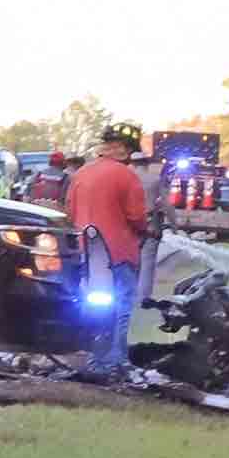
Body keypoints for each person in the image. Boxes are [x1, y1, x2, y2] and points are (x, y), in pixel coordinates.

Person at [66, 122, 148, 382]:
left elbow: (69, 212)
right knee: (121, 306)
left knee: (91, 307)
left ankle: (95, 356)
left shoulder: (81, 174)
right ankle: (116, 360)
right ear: (122, 149)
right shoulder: (126, 176)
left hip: (85, 254)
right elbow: (137, 217)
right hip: (118, 253)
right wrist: (147, 230)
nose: (131, 158)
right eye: (130, 151)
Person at [130, 151, 177, 303]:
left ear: (132, 163)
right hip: (151, 224)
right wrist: (174, 224)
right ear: (147, 163)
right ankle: (143, 298)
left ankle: (126, 294)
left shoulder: (125, 179)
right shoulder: (155, 179)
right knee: (147, 263)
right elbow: (166, 204)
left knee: (128, 262)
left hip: (129, 225)